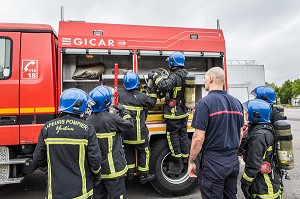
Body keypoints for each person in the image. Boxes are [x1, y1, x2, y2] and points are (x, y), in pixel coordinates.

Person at [33, 88, 102, 199]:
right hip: (81, 193)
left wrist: (49, 170)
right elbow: (95, 159)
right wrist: (96, 174)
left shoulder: (47, 128)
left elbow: (37, 159)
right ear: (78, 106)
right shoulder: (87, 128)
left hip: (54, 194)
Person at [188, 67, 244, 199]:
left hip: (214, 162)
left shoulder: (204, 103)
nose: (204, 82)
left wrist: (191, 161)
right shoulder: (237, 103)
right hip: (232, 160)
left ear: (211, 79)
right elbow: (240, 134)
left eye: (205, 79)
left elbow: (198, 138)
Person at [87, 85, 133, 199]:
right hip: (114, 171)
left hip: (96, 172)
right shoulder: (112, 118)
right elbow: (129, 124)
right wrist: (123, 110)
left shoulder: (87, 121)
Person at [148, 51, 189, 172]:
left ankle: (177, 160)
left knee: (173, 136)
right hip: (183, 111)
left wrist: (155, 77)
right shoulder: (186, 74)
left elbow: (165, 86)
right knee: (183, 136)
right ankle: (185, 157)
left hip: (173, 113)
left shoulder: (175, 75)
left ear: (172, 62)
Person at [118, 71, 157, 184]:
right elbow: (152, 103)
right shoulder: (142, 97)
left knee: (129, 151)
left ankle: (130, 173)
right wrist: (153, 90)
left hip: (126, 134)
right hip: (139, 134)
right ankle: (144, 176)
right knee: (144, 152)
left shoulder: (121, 95)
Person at [240, 99, 282, 199]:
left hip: (265, 189)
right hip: (266, 182)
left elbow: (254, 163)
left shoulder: (259, 136)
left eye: (247, 112)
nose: (245, 114)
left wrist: (245, 183)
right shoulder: (263, 128)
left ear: (256, 115)